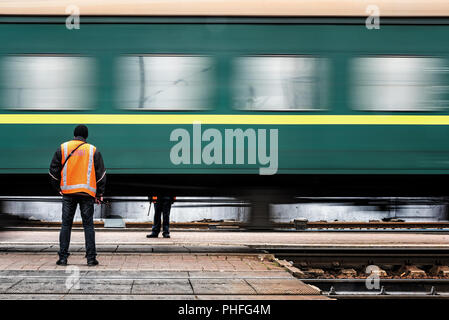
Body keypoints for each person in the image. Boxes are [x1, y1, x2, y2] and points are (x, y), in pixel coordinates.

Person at [49, 125, 106, 266]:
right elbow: (101, 174)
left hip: (68, 194)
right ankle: (91, 258)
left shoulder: (63, 148)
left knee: (66, 225)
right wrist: (99, 193)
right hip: (87, 194)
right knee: (88, 225)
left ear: (74, 135)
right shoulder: (93, 150)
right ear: (86, 136)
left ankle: (63, 258)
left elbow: (53, 171)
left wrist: (58, 188)